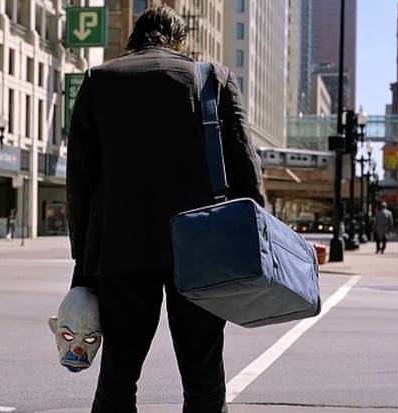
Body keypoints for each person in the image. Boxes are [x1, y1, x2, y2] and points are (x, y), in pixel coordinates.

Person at [66, 6, 264, 412]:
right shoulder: (213, 80)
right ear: (180, 41)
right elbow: (246, 170)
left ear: (133, 38)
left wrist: (82, 266)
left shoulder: (100, 80)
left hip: (121, 248)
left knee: (119, 374)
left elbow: (80, 184)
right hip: (201, 248)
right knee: (203, 374)